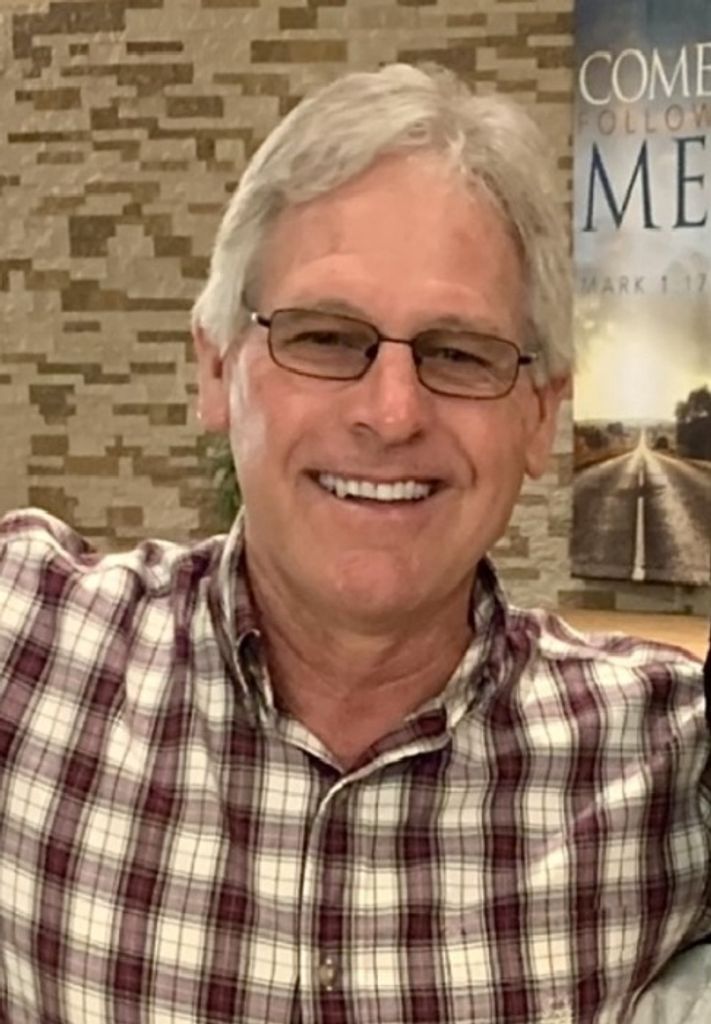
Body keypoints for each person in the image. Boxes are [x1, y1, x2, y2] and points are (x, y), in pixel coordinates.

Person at [0, 63, 708, 1024]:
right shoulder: (29, 654)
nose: (391, 412)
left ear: (539, 416)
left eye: (459, 353)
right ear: (216, 368)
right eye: (325, 338)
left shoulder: (665, 758)